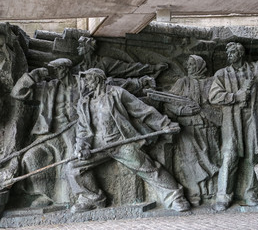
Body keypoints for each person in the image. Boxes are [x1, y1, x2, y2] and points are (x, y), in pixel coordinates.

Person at [65, 68, 190, 213]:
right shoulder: (84, 103)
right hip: (97, 146)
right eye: (85, 80)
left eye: (88, 79)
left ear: (98, 79)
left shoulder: (117, 93)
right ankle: (92, 199)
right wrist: (81, 147)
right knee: (73, 166)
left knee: (148, 168)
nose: (86, 83)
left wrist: (165, 124)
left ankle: (175, 197)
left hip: (120, 142)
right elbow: (82, 129)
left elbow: (142, 110)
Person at [208, 16, 258, 210]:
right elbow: (214, 97)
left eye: (232, 52)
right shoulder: (222, 75)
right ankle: (224, 196)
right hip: (232, 122)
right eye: (228, 53)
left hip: (253, 118)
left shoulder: (255, 69)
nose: (229, 55)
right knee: (230, 156)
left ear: (240, 53)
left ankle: (251, 193)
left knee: (253, 156)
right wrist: (235, 96)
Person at [11, 58, 78, 206]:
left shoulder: (82, 84)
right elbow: (17, 93)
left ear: (65, 69)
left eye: (57, 69)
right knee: (30, 157)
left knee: (73, 157)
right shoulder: (49, 88)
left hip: (76, 130)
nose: (55, 72)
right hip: (50, 132)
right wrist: (32, 76)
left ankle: (73, 197)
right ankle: (45, 195)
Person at [165, 55, 220, 206]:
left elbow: (219, 103)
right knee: (191, 160)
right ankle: (194, 193)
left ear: (200, 65)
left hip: (209, 126)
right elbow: (169, 102)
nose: (189, 67)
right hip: (188, 128)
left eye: (192, 64)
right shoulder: (183, 82)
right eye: (188, 64)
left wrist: (205, 109)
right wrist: (183, 110)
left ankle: (211, 191)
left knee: (212, 158)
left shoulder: (211, 82)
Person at [75, 36, 168, 78]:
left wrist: (153, 67)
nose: (78, 48)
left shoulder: (105, 62)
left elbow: (129, 69)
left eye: (81, 46)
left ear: (88, 49)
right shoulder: (79, 68)